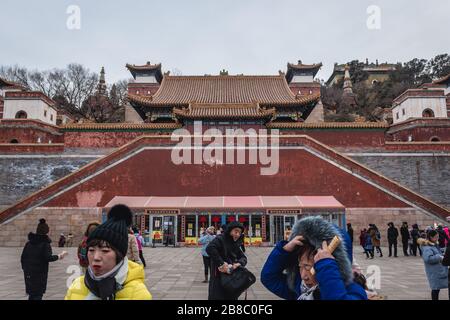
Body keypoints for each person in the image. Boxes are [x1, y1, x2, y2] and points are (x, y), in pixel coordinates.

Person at [260, 216, 367, 300]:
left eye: (307, 267)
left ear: (335, 266)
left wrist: (326, 266)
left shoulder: (354, 291)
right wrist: (284, 251)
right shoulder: (300, 288)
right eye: (300, 266)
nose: (303, 276)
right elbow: (269, 278)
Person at [65, 204, 152, 300]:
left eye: (105, 251)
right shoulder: (76, 286)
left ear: (120, 255)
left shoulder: (138, 294)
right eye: (91, 250)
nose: (96, 257)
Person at [21, 219, 68, 300]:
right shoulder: (45, 244)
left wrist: (26, 269)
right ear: (46, 231)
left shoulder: (29, 243)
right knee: (38, 295)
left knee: (32, 294)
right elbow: (48, 257)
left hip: (28, 273)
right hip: (39, 274)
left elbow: (23, 258)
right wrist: (60, 255)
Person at [205, 221, 248, 300]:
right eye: (236, 231)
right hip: (218, 277)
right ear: (230, 230)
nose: (237, 234)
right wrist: (221, 263)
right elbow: (210, 248)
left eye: (240, 233)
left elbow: (243, 257)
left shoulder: (235, 243)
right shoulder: (221, 238)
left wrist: (238, 263)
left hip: (231, 278)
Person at [418, 230, 448, 300]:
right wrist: (439, 257)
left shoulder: (433, 244)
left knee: (436, 288)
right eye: (436, 237)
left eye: (438, 237)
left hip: (437, 270)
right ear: (431, 237)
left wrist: (442, 254)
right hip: (434, 271)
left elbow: (437, 253)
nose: (437, 238)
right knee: (435, 288)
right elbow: (427, 259)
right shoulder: (427, 247)